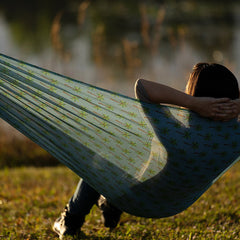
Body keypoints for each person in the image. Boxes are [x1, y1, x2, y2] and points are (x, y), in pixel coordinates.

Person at [52, 62, 240, 239]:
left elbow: (142, 87)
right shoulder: (234, 140)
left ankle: (70, 220)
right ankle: (109, 205)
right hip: (172, 206)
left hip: (135, 198)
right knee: (132, 155)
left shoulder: (176, 135)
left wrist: (194, 103)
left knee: (98, 160)